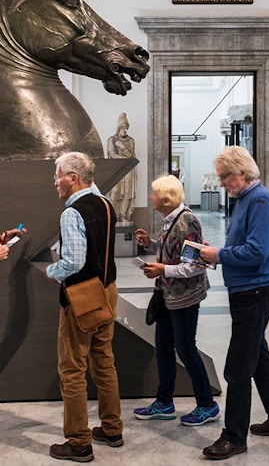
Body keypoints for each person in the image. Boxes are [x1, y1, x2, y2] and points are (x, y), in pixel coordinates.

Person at [200, 146, 269, 461]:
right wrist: (215, 252)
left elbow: (256, 251)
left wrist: (219, 255)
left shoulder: (259, 201)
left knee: (238, 367)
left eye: (225, 176)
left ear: (242, 172)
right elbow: (243, 245)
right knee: (259, 358)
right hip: (246, 290)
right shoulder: (245, 201)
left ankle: (234, 437)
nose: (222, 183)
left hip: (256, 291)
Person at [46, 152, 123, 463]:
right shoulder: (105, 204)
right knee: (104, 363)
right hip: (108, 291)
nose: (55, 182)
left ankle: (79, 442)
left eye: (58, 176)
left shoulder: (72, 212)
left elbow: (74, 261)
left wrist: (51, 272)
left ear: (73, 178)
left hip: (82, 298)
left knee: (72, 369)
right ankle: (112, 428)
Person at [133, 175, 220, 426]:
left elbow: (195, 264)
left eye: (153, 194)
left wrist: (163, 270)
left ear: (166, 197)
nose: (150, 198)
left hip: (185, 297)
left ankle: (207, 405)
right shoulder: (169, 220)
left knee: (186, 349)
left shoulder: (188, 221)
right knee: (163, 348)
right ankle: (164, 402)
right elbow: (172, 250)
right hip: (168, 296)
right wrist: (151, 244)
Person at [107, 113, 137, 225]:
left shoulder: (130, 140)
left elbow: (131, 155)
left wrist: (122, 146)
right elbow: (112, 155)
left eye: (127, 128)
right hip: (117, 170)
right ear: (119, 128)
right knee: (115, 192)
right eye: (124, 128)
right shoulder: (111, 140)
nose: (126, 130)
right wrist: (125, 158)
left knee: (127, 194)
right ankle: (112, 215)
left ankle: (123, 215)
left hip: (129, 170)